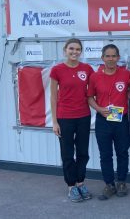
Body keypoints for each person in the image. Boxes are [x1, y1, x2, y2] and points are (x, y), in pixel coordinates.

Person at [50, 38, 94, 202]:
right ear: (65, 50)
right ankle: (71, 186)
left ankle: (81, 183)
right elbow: (53, 97)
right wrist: (54, 122)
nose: (74, 52)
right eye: (71, 49)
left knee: (83, 153)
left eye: (77, 49)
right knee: (67, 154)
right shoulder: (57, 70)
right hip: (64, 118)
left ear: (81, 51)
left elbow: (96, 88)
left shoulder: (87, 69)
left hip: (83, 116)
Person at [87, 44, 130, 200]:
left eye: (114, 56)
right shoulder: (94, 76)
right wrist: (99, 109)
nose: (111, 59)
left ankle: (121, 183)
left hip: (121, 120)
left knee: (122, 153)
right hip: (103, 120)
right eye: (108, 56)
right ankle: (109, 185)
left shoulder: (126, 74)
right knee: (105, 154)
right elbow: (90, 97)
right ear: (102, 58)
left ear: (118, 58)